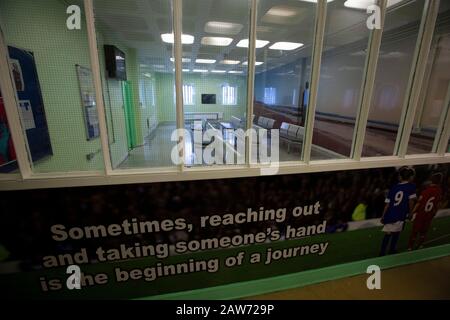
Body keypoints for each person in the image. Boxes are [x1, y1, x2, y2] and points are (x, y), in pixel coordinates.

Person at [379, 166, 417, 256]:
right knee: (396, 232)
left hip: (390, 213)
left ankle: (382, 252)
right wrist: (411, 212)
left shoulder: (394, 187)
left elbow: (387, 204)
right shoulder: (411, 187)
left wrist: (383, 215)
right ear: (410, 177)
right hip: (400, 213)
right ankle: (392, 249)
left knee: (388, 233)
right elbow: (411, 201)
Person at [408, 172, 443, 250]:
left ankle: (410, 247)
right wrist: (435, 212)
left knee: (415, 231)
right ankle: (420, 245)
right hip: (429, 214)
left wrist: (412, 212)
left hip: (421, 213)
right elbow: (438, 204)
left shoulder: (426, 191)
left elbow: (419, 202)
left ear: (431, 180)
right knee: (423, 231)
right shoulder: (439, 191)